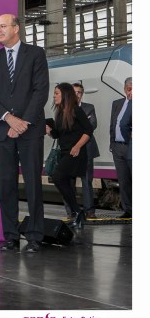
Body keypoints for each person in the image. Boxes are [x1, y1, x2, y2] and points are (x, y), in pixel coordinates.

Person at [0, 14, 49, 253]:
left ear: (16, 28)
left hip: (29, 131)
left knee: (32, 184)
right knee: (6, 185)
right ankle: (10, 235)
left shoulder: (36, 54)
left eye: (2, 26)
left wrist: (23, 122)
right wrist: (9, 119)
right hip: (3, 131)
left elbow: (41, 91)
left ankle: (35, 236)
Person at [46, 83, 94, 228]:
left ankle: (78, 212)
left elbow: (88, 131)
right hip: (65, 152)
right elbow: (59, 134)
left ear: (65, 94)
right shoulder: (60, 112)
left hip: (76, 153)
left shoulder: (76, 110)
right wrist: (49, 130)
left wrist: (78, 146)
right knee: (63, 181)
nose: (54, 96)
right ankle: (77, 213)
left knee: (57, 177)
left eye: (56, 93)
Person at [63, 83, 100, 219]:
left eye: (79, 92)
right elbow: (64, 128)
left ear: (82, 94)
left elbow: (92, 125)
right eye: (74, 92)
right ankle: (71, 212)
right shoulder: (63, 109)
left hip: (87, 150)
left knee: (86, 181)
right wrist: (83, 122)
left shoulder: (89, 107)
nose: (76, 94)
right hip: (69, 151)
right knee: (69, 182)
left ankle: (89, 211)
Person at [109, 77, 132, 218]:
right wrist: (112, 143)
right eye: (129, 87)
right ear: (124, 89)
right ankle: (128, 210)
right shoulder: (117, 103)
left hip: (131, 146)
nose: (131, 90)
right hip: (117, 147)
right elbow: (113, 124)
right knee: (123, 181)